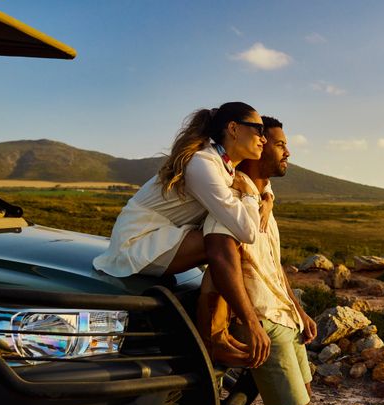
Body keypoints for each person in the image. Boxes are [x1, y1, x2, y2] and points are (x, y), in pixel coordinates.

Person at [202, 117, 380, 405]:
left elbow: (271, 262)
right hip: (262, 319)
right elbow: (222, 261)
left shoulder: (264, 196)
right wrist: (251, 322)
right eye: (278, 143)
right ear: (257, 146)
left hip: (282, 315)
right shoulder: (230, 200)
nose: (286, 151)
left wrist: (297, 309)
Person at [93, 102, 271, 363]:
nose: (263, 139)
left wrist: (266, 195)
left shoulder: (224, 163)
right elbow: (247, 231)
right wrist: (251, 193)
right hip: (138, 242)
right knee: (225, 232)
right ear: (233, 128)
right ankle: (215, 336)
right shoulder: (203, 163)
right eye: (258, 129)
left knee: (223, 228)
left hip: (166, 235)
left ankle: (219, 331)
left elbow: (257, 186)